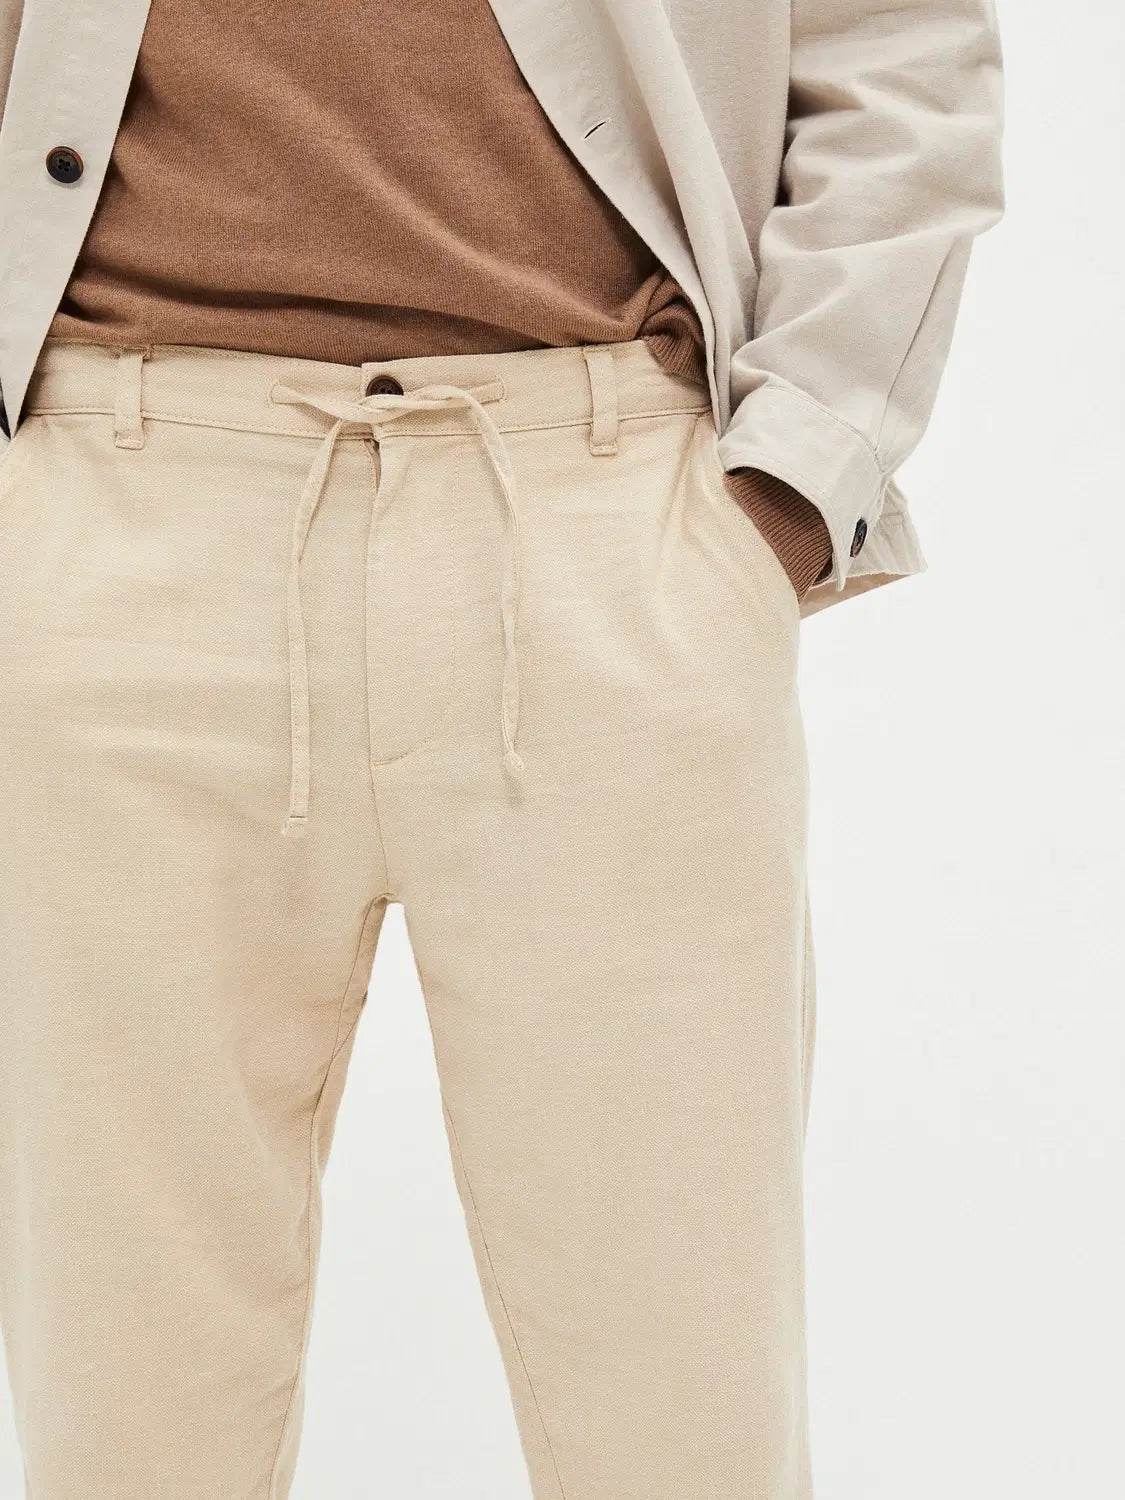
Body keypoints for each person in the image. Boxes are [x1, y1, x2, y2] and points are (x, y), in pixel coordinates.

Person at [0, 2, 1004, 1495]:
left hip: (603, 518)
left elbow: (894, 48)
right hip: (115, 518)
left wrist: (790, 489)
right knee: (119, 1405)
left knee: (681, 1395)